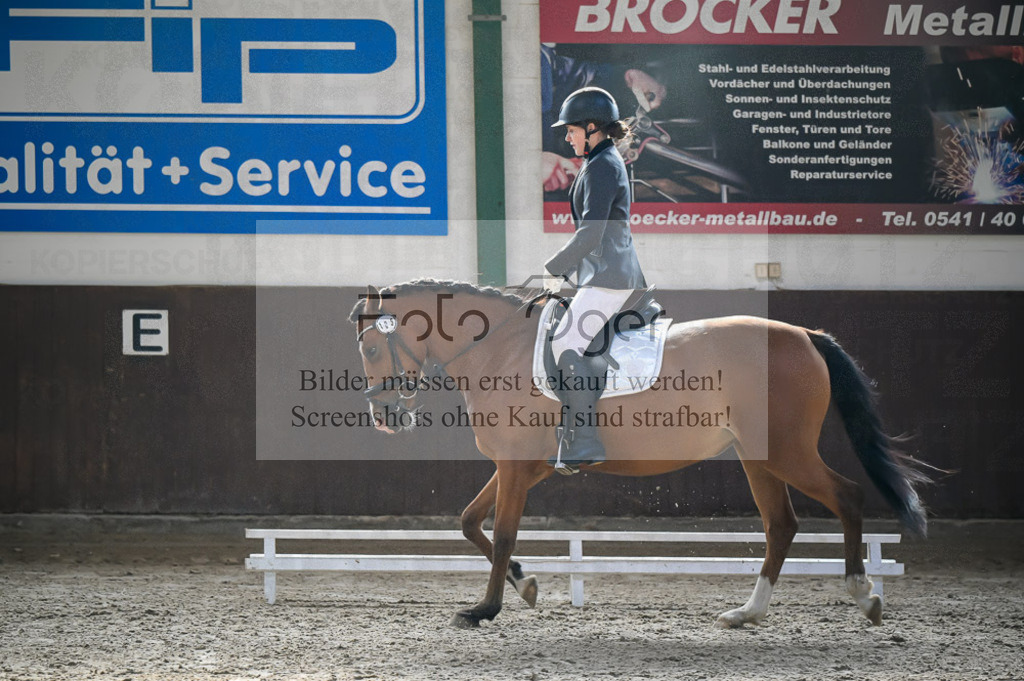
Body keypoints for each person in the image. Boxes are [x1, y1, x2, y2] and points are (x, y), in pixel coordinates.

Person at [544, 86, 648, 475]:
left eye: (571, 130)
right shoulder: (599, 161)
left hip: (611, 276)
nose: (567, 138)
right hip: (604, 273)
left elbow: (591, 233)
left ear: (592, 128)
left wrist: (554, 268)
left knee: (565, 341)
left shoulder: (603, 165)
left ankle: (585, 440)